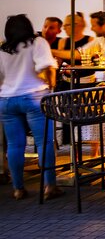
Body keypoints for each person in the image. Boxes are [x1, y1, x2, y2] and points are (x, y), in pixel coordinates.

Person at [0, 14, 61, 201]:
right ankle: (49, 186)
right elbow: (48, 68)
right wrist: (51, 86)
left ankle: (18, 188)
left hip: (7, 99)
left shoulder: (3, 48)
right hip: (34, 97)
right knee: (44, 142)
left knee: (14, 145)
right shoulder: (37, 42)